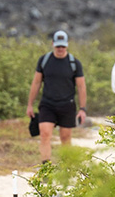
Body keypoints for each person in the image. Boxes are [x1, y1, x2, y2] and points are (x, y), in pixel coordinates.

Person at [26, 30, 87, 163]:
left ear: (67, 45)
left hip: (67, 104)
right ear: (53, 44)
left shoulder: (74, 64)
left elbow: (81, 87)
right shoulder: (44, 61)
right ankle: (46, 169)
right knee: (45, 134)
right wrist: (30, 104)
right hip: (48, 104)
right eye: (58, 46)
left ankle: (66, 168)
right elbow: (36, 83)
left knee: (65, 138)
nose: (60, 49)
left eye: (63, 46)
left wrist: (82, 108)